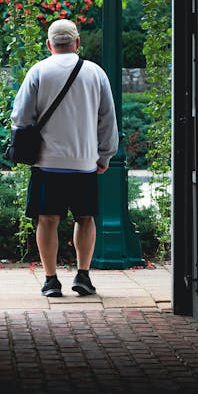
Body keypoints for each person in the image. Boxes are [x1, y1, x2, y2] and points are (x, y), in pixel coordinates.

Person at [10, 18, 119, 297]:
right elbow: (107, 119)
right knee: (85, 218)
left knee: (47, 220)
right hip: (85, 162)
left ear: (49, 44)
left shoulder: (38, 71)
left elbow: (20, 118)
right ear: (77, 43)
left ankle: (50, 280)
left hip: (47, 162)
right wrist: (105, 155)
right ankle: (83, 275)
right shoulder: (95, 73)